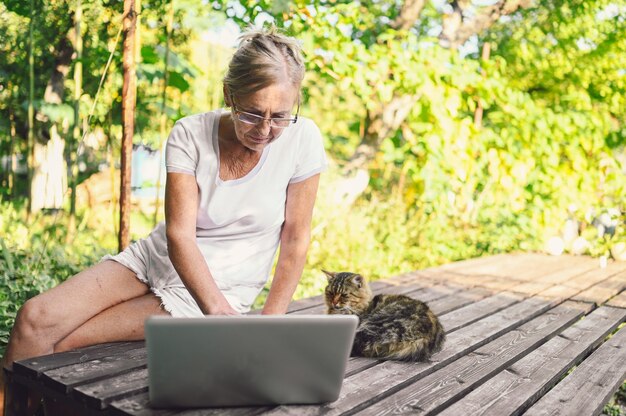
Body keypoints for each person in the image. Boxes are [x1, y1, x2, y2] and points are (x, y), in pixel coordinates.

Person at [0, 26, 327, 414]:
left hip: (217, 287)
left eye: (280, 116)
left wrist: (265, 325)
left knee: (66, 343)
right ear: (229, 96)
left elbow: (295, 239)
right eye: (253, 113)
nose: (265, 129)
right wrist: (219, 314)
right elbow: (179, 235)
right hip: (159, 260)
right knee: (34, 320)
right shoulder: (190, 133)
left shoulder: (303, 139)